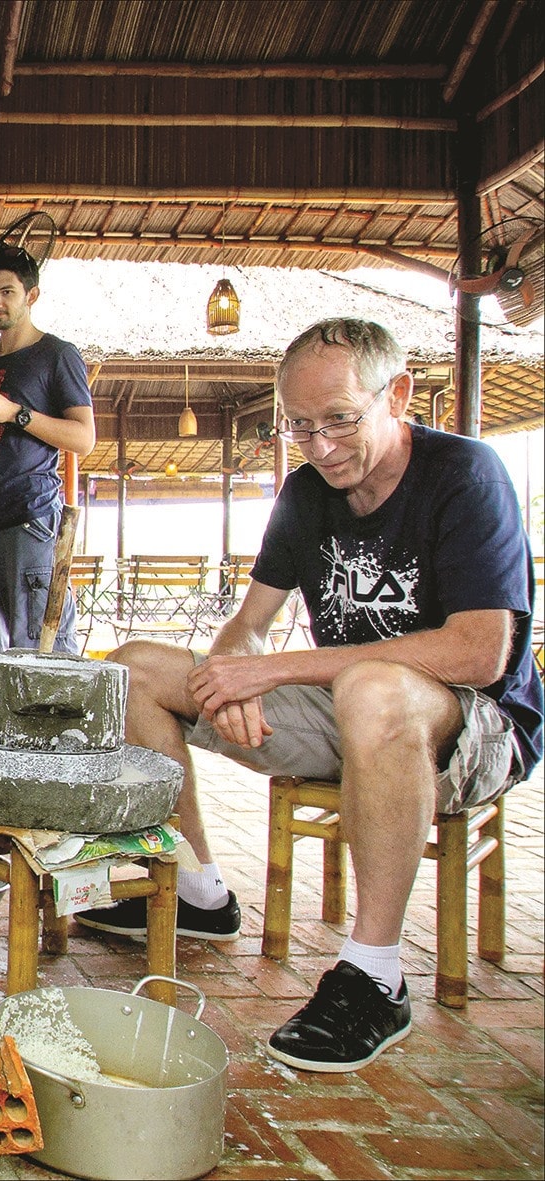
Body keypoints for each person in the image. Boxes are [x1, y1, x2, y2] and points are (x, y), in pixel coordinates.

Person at [75, 319, 541, 1074]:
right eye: (300, 426)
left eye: (339, 421)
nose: (320, 446)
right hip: (346, 703)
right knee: (133, 667)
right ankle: (198, 890)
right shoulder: (305, 492)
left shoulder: (465, 473)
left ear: (398, 395)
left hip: (473, 725)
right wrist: (231, 670)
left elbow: (481, 651)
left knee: (372, 689)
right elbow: (249, 624)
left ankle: (374, 974)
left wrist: (282, 669)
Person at [0, 247, 96, 657]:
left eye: (6, 292)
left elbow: (83, 438)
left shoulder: (57, 355)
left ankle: (48, 724)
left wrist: (15, 413)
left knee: (39, 647)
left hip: (30, 516)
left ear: (31, 296)